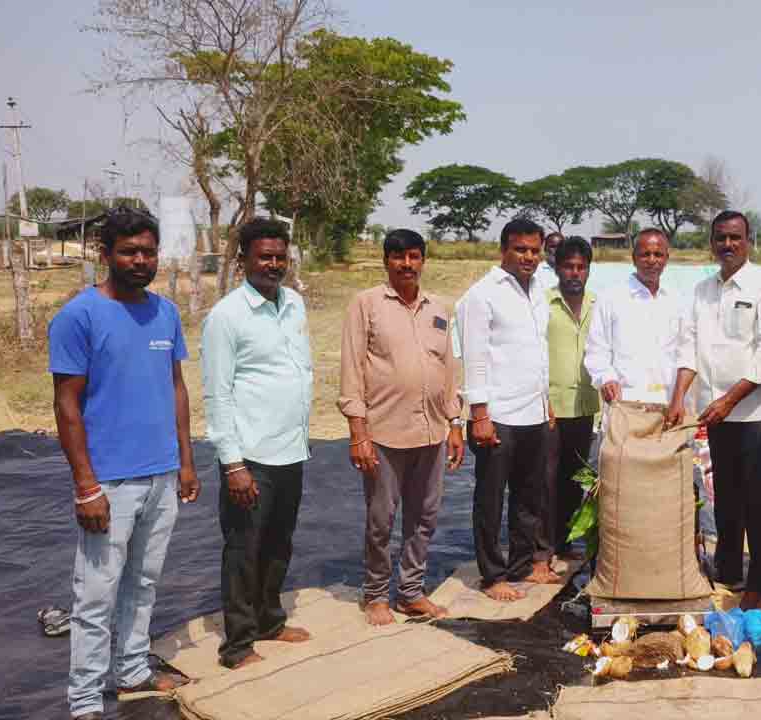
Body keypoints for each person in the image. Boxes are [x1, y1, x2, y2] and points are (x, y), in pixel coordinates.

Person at [51, 207, 197, 720]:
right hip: (108, 482)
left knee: (145, 582)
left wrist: (185, 460)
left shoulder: (165, 313)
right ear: (105, 254)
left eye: (149, 251)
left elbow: (175, 387)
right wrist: (85, 486)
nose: (141, 260)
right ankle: (86, 699)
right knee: (94, 597)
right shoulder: (79, 316)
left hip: (161, 475)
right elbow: (67, 404)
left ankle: (132, 669)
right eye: (129, 251)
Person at [202, 218, 314, 669]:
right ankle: (237, 644)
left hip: (291, 449)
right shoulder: (226, 316)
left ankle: (270, 620)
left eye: (280, 257)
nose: (273, 264)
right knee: (243, 550)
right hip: (250, 456)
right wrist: (233, 464)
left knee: (278, 544)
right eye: (264, 256)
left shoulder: (295, 304)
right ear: (243, 260)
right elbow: (218, 394)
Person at [338, 229, 466, 625]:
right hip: (384, 433)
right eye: (398, 257)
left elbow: (450, 369)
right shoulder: (367, 304)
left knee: (425, 516)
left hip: (432, 433)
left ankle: (411, 591)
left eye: (413, 256)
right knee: (382, 519)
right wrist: (359, 433)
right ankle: (376, 594)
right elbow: (352, 369)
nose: (406, 264)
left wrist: (455, 422)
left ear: (423, 260)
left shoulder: (441, 308)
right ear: (386, 261)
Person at [665, 211, 761, 610]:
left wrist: (727, 401)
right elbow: (688, 347)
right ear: (711, 242)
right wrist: (679, 396)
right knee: (727, 497)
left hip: (754, 415)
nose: (728, 245)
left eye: (735, 238)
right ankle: (729, 569)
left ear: (748, 239)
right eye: (720, 238)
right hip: (715, 414)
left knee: (758, 498)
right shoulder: (701, 291)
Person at [457, 217, 562, 602]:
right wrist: (479, 414)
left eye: (535, 250)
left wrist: (546, 402)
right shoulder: (482, 295)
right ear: (503, 250)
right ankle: (493, 574)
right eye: (520, 249)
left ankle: (523, 564)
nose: (528, 257)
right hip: (497, 414)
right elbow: (475, 357)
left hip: (533, 410)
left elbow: (538, 354)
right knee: (491, 497)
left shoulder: (538, 290)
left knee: (529, 496)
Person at [537, 236, 599, 564]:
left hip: (585, 405)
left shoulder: (597, 305)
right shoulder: (543, 304)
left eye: (581, 267)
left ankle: (563, 542)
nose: (574, 273)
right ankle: (542, 548)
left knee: (574, 476)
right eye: (568, 266)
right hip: (550, 406)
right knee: (545, 478)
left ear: (588, 270)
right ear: (557, 268)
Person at [585, 228, 682, 405]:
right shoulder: (611, 298)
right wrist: (607, 379)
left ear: (666, 259)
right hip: (625, 403)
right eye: (645, 254)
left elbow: (685, 352)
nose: (652, 260)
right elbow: (596, 350)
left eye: (658, 255)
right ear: (633, 258)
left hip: (668, 403)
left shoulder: (677, 300)